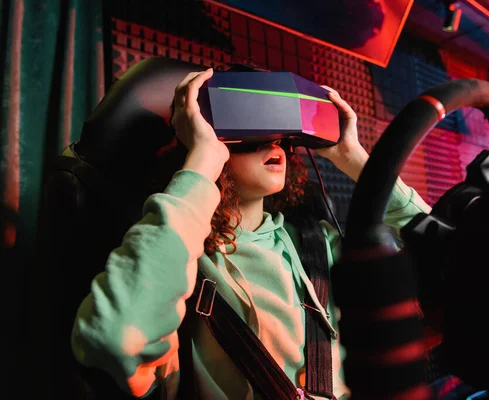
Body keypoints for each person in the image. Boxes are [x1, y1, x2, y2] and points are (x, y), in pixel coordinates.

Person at [70, 67, 431, 399]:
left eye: (281, 134)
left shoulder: (319, 244)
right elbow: (115, 337)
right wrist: (202, 161)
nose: (274, 142)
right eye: (252, 127)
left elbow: (443, 265)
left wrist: (353, 158)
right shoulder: (180, 262)